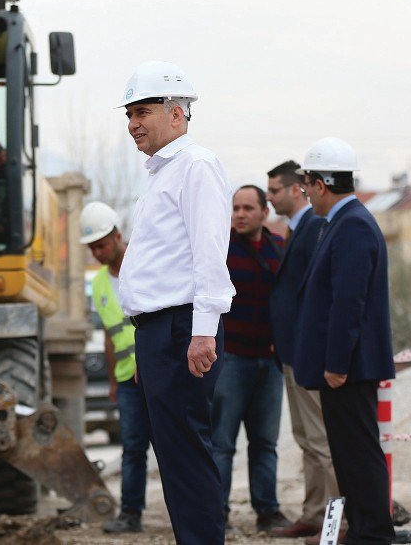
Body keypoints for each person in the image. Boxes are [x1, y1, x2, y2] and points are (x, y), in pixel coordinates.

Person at [116, 61, 235, 544]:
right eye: (128, 115)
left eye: (142, 111)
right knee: (175, 455)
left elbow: (210, 255)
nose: (133, 124)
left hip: (181, 326)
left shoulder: (196, 167)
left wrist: (202, 331)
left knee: (186, 455)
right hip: (160, 332)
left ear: (177, 113)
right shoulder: (163, 174)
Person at [294, 137, 396, 544]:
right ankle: (366, 527)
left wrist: (336, 362)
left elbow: (348, 301)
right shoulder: (344, 222)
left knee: (358, 453)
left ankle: (373, 533)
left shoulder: (351, 224)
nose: (306, 193)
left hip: (349, 368)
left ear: (319, 183)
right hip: (347, 366)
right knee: (351, 453)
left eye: (306, 185)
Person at [213, 185, 291, 534]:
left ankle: (268, 512)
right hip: (230, 360)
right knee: (222, 444)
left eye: (248, 208)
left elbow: (288, 301)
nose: (240, 214)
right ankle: (217, 515)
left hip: (268, 364)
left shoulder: (278, 250)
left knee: (264, 444)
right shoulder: (220, 248)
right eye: (235, 208)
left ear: (264, 213)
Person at [266, 160, 335, 539]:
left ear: (297, 190)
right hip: (292, 353)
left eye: (275, 190)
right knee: (306, 438)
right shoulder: (297, 230)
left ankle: (334, 521)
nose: (270, 198)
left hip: (307, 354)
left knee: (321, 441)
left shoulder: (314, 228)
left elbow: (315, 296)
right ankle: (313, 512)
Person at [79, 201, 151, 534]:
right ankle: (131, 514)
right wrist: (111, 380)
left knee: (173, 447)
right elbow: (110, 336)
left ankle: (190, 512)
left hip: (156, 374)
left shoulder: (144, 266)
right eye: (92, 247)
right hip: (126, 380)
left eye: (102, 244)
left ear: (118, 236)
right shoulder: (99, 284)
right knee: (132, 448)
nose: (98, 251)